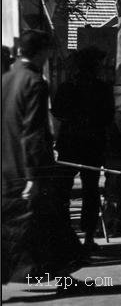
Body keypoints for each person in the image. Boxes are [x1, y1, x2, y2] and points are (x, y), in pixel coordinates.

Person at [2, 30, 83, 285]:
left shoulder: (5, 79)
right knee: (51, 223)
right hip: (30, 169)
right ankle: (60, 278)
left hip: (6, 168)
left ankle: (36, 275)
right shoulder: (35, 82)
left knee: (20, 227)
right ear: (42, 52)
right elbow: (32, 132)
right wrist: (33, 175)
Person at [53, 48, 114, 250]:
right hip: (91, 145)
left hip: (70, 144)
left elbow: (58, 112)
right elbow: (108, 117)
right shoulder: (102, 88)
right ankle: (87, 236)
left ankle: (65, 235)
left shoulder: (66, 87)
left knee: (64, 192)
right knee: (90, 190)